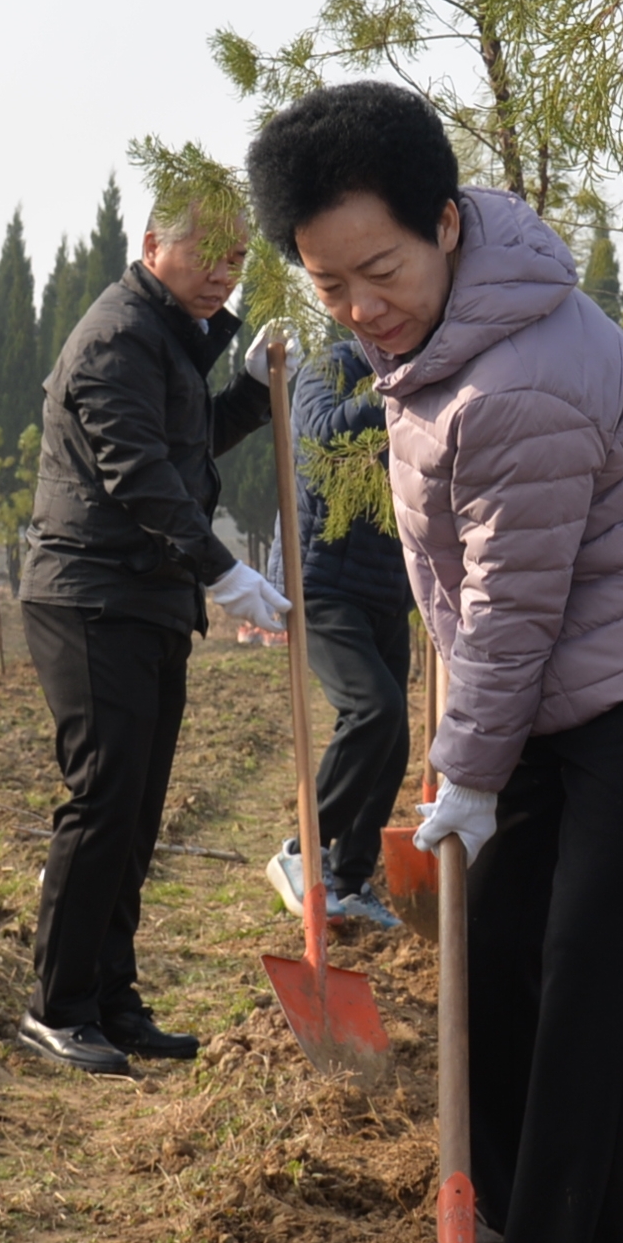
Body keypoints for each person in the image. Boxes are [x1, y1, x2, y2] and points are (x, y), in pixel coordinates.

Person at [245, 83, 623, 1243]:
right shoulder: (426, 347)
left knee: (583, 965)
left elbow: (513, 606)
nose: (360, 308)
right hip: (544, 677)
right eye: (327, 285)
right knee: (496, 947)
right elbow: (478, 600)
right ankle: (503, 1226)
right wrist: (469, 760)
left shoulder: (519, 376)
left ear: (449, 224)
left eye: (380, 269)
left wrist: (462, 767)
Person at [14, 187, 286, 1076]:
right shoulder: (115, 337)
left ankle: (111, 996)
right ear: (150, 244)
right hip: (91, 592)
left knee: (135, 810)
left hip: (146, 597)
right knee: (102, 799)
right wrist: (224, 567)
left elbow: (188, 442)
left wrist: (246, 388)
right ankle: (58, 1004)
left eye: (236, 259)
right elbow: (136, 471)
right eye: (206, 253)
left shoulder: (165, 336)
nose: (222, 273)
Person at [264, 337, 410, 932]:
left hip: (388, 589)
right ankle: (303, 849)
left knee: (394, 738)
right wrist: (395, 390)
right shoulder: (335, 367)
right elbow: (324, 434)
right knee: (372, 709)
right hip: (322, 578)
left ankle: (349, 880)